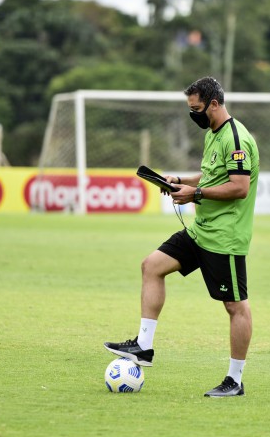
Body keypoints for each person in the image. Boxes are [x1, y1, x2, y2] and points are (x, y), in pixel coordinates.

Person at [104, 76, 259, 397]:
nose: (194, 115)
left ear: (214, 104)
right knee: (152, 266)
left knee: (235, 307)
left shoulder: (236, 138)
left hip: (225, 238)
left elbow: (239, 187)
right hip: (201, 231)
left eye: (197, 109)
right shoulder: (213, 135)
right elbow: (211, 173)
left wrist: (195, 194)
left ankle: (235, 380)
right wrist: (179, 180)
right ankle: (143, 346)